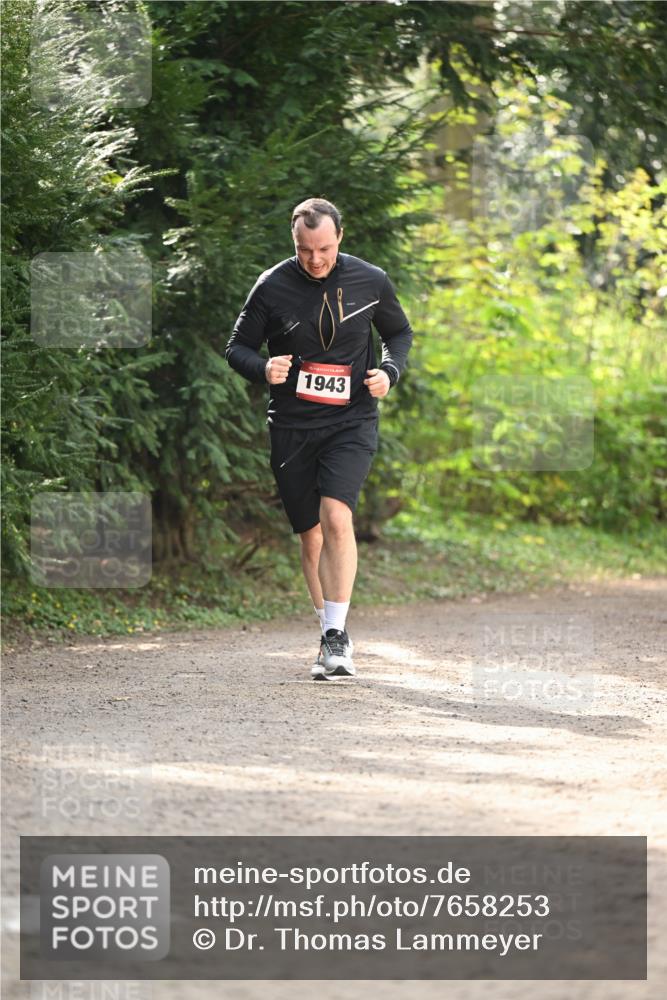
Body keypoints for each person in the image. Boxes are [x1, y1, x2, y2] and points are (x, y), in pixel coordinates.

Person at [226, 198, 413, 680]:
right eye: (304, 249)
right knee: (310, 538)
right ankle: (329, 631)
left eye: (324, 248)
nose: (315, 259)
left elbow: (399, 333)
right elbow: (237, 347)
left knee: (336, 517)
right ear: (294, 243)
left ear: (340, 238)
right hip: (291, 426)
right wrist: (264, 367)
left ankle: (336, 636)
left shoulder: (370, 280)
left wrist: (389, 372)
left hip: (351, 421)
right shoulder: (272, 286)